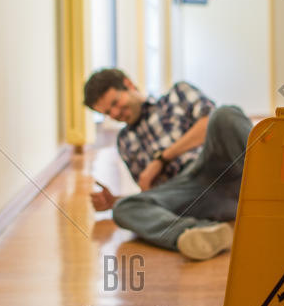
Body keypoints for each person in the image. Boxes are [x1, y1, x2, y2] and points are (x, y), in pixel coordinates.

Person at [84, 68, 252, 261]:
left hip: (220, 166)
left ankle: (276, 186)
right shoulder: (125, 141)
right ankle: (201, 233)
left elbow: (208, 124)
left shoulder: (177, 95)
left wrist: (161, 159)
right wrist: (115, 201)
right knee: (123, 208)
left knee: (225, 115)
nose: (115, 113)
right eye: (107, 112)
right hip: (190, 195)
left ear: (128, 84)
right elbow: (154, 193)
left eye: (115, 103)